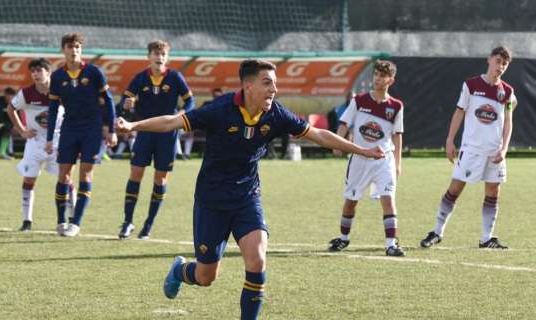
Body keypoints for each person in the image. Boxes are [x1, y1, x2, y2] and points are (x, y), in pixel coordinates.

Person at [116, 59, 384, 320]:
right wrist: (132, 126)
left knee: (257, 260)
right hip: (212, 200)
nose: (274, 89)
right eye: (267, 83)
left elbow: (319, 135)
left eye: (275, 83)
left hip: (247, 197)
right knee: (205, 277)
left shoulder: (276, 114)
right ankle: (180, 271)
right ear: (248, 86)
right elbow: (171, 122)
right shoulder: (219, 110)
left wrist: (362, 150)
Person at [420, 46, 517, 250]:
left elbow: (508, 122)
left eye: (505, 64)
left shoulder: (507, 91)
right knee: (455, 188)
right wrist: (449, 140)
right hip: (471, 149)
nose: (500, 67)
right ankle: (436, 232)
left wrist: (504, 148)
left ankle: (486, 238)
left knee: (493, 192)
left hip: (495, 152)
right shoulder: (471, 85)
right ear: (489, 59)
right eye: (498, 61)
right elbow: (459, 112)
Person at [117, 40, 194, 240]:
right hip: (144, 132)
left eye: (162, 54)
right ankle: (127, 222)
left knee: (160, 179)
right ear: (149, 57)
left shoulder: (175, 77)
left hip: (168, 135)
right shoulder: (140, 78)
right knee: (135, 174)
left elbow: (190, 101)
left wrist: (183, 115)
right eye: (155, 53)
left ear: (166, 57)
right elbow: (122, 105)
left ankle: (148, 225)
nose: (159, 57)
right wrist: (126, 105)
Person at [327, 60, 405, 257]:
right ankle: (343, 239)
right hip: (360, 159)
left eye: (382, 75)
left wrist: (398, 163)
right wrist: (338, 141)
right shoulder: (359, 100)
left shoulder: (396, 106)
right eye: (376, 74)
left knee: (388, 199)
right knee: (351, 200)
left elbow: (397, 135)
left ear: (391, 80)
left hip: (383, 160)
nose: (377, 78)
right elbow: (345, 122)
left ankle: (391, 244)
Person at [46, 33, 117, 237]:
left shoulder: (94, 72)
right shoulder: (58, 77)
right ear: (63, 50)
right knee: (64, 174)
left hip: (92, 129)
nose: (74, 50)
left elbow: (109, 101)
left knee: (85, 174)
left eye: (77, 46)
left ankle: (75, 223)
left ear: (81, 49)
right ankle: (61, 221)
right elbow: (52, 109)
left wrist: (111, 130)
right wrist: (50, 138)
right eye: (70, 47)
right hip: (69, 128)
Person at [7, 58, 75, 232]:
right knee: (29, 179)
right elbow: (11, 109)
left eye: (39, 70)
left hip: (59, 142)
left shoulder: (61, 90)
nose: (36, 74)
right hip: (35, 143)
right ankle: (27, 222)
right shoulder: (27, 93)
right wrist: (22, 131)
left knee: (66, 179)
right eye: (33, 71)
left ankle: (73, 219)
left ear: (49, 72)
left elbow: (74, 111)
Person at [0, 87, 16, 159]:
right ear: (5, 95)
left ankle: (2, 152)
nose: (10, 97)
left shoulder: (15, 105)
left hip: (10, 126)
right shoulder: (0, 104)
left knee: (8, 129)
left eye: (12, 95)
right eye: (8, 95)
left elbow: (16, 119)